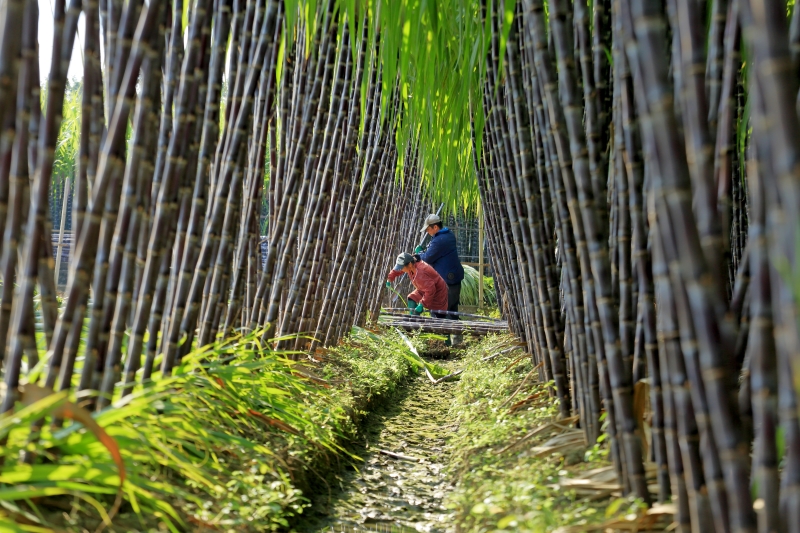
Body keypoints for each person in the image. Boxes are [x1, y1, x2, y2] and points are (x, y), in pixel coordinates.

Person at [414, 214, 464, 344]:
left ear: (435, 227)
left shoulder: (439, 240)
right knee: (452, 310)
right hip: (453, 279)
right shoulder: (448, 235)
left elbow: (428, 258)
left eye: (428, 229)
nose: (427, 232)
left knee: (439, 311)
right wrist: (424, 251)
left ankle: (443, 343)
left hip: (445, 281)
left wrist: (419, 254)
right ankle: (457, 341)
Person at [386, 252, 449, 319]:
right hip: (423, 289)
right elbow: (398, 270)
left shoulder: (421, 272)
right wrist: (389, 278)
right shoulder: (411, 265)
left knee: (439, 314)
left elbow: (430, 290)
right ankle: (414, 319)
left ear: (409, 264)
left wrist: (422, 304)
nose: (401, 269)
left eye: (402, 267)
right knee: (411, 298)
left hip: (438, 292)